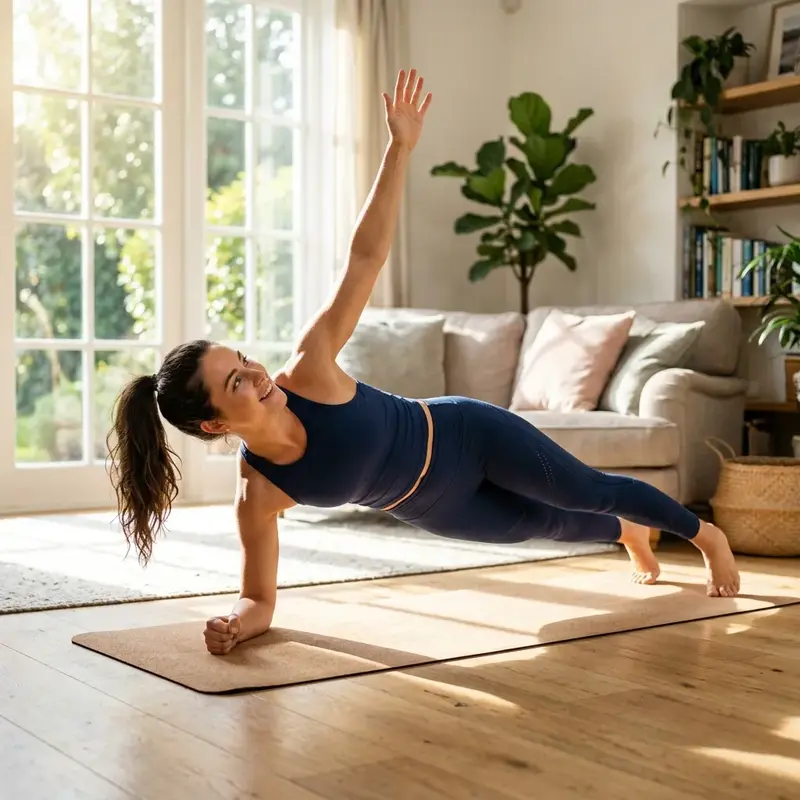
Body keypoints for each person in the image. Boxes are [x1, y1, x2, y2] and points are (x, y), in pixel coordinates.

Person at [107, 68, 740, 656]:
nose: (257, 374)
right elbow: (260, 598)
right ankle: (627, 531)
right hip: (436, 508)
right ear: (215, 424)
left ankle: (703, 536)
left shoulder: (310, 370)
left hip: (468, 435)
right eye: (236, 382)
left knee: (585, 489)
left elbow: (364, 260)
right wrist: (239, 623)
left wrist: (399, 149)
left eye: (244, 359)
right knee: (546, 524)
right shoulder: (259, 494)